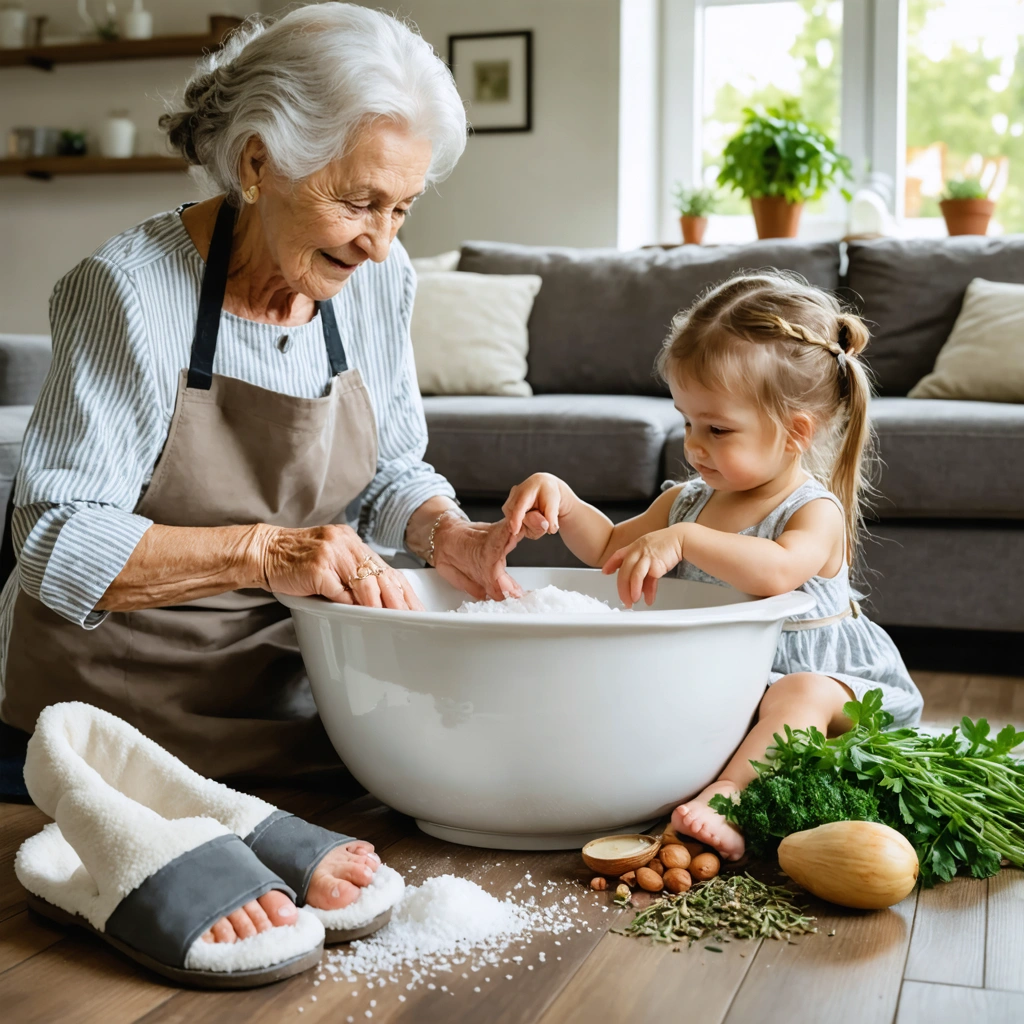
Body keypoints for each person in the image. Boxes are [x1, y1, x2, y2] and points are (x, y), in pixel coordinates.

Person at [0, 4, 527, 945]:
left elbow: (391, 469)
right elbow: (53, 538)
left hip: (296, 713)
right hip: (118, 726)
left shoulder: (381, 278)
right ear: (258, 163)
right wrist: (266, 551)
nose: (380, 240)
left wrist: (447, 531)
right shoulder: (127, 291)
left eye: (402, 208)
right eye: (359, 202)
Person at [503, 271, 923, 861]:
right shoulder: (686, 502)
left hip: (831, 697)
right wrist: (565, 503)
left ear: (795, 433)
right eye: (687, 421)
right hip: (725, 683)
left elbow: (778, 571)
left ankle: (729, 796)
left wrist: (687, 541)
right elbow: (608, 549)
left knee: (798, 692)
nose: (694, 445)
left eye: (718, 429)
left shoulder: (812, 511)